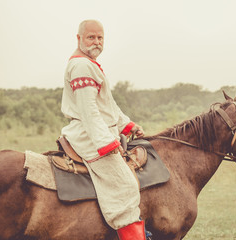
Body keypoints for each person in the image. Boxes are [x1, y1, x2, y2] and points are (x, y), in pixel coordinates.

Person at [60, 19, 147, 240]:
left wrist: (127, 125)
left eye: (100, 38)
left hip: (96, 131)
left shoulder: (89, 64)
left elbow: (107, 105)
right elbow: (89, 111)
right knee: (126, 186)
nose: (96, 42)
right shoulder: (81, 66)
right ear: (78, 38)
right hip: (89, 136)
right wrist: (107, 143)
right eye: (91, 37)